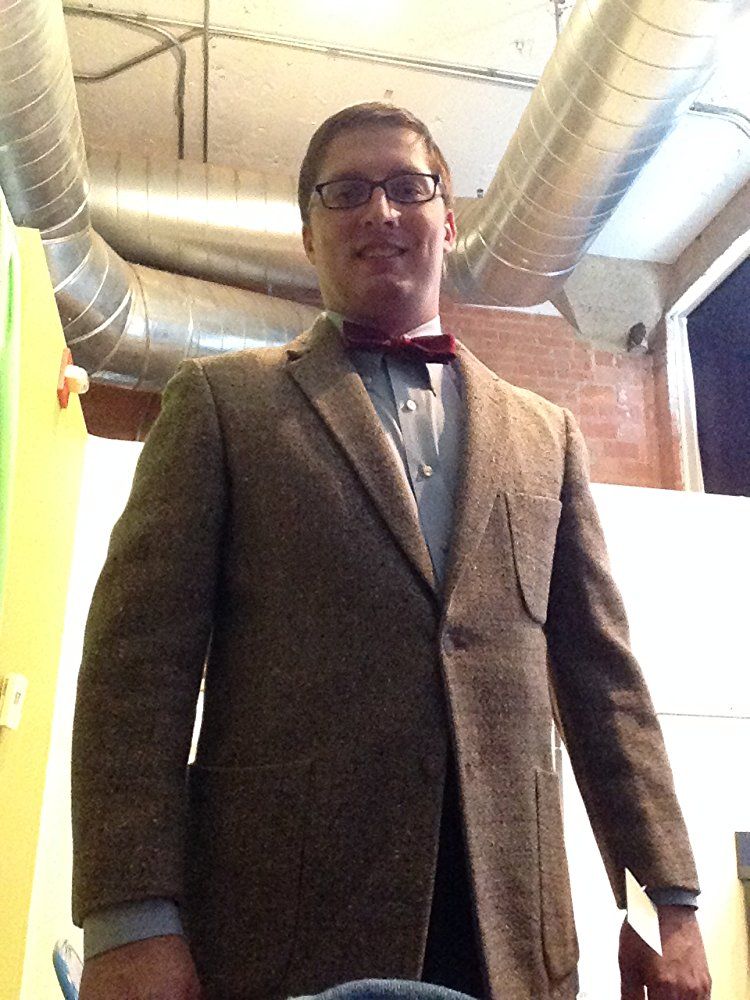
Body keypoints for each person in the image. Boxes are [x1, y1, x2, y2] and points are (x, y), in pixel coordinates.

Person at [72, 103, 711, 1000]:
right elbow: (136, 674)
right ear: (308, 233)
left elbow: (604, 682)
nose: (380, 210)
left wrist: (669, 901)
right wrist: (130, 920)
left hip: (514, 939)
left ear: (447, 220)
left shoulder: (546, 435)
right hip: (286, 930)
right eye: (346, 192)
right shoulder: (221, 406)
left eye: (410, 187)